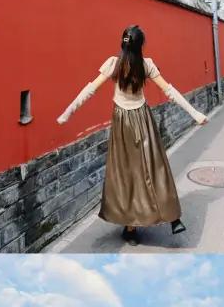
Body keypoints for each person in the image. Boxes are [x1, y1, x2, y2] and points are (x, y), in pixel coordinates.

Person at [57, 25, 208, 246]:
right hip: (135, 120)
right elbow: (170, 91)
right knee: (148, 168)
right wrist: (193, 112)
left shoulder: (128, 65)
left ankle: (164, 218)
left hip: (128, 120)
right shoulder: (131, 64)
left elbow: (90, 89)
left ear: (123, 43)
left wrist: (68, 111)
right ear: (140, 46)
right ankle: (136, 225)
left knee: (134, 171)